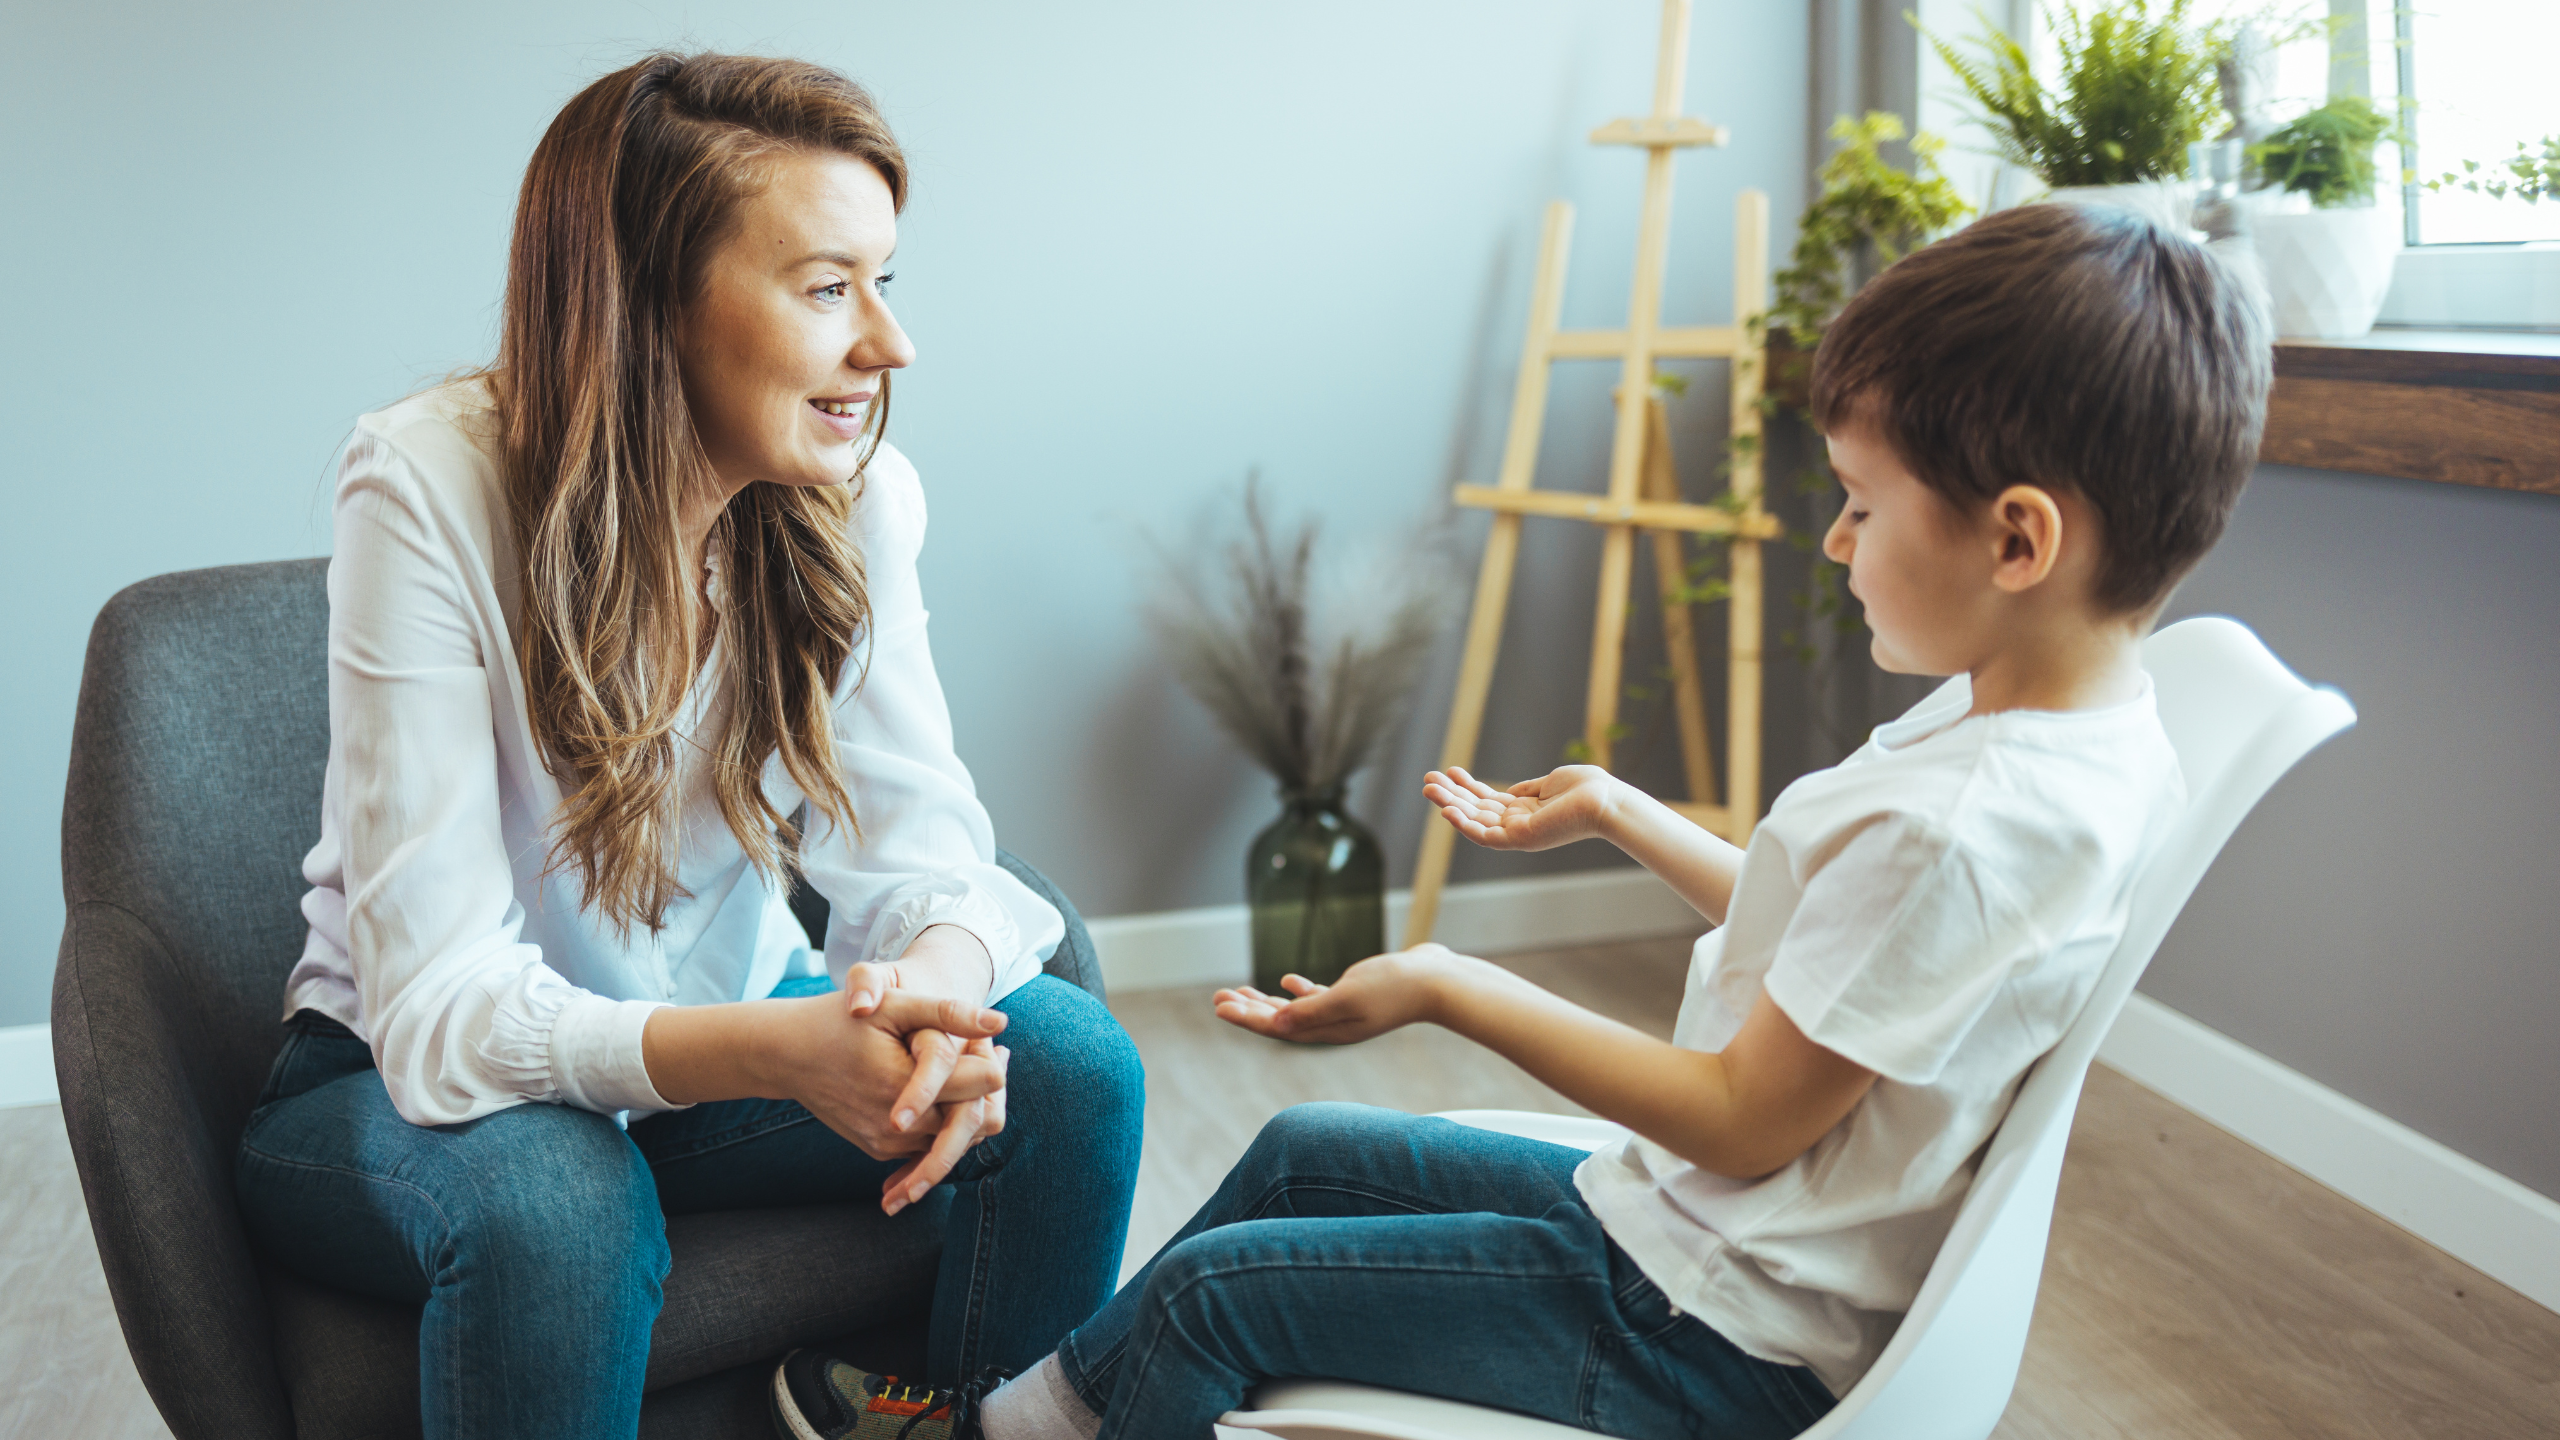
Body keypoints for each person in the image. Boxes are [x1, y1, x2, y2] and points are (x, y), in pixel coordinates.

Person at [929, 200, 2273, 1440]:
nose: (1835, 539)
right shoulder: (2056, 728)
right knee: (1301, 1158)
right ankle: (1024, 1422)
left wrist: (1453, 985)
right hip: (1698, 1247)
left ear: (2018, 541)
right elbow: (1838, 937)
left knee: (1208, 1298)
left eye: (1861, 505)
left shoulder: (1972, 822)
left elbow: (1742, 1116)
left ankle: (1010, 1428)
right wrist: (1624, 812)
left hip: (1707, 1330)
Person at [230, 53, 1143, 1440]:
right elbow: (441, 1011)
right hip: (402, 1092)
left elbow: (928, 856)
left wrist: (931, 999)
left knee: (1067, 1066)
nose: (889, 345)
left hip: (714, 1054)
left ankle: (940, 1421)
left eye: (887, 281)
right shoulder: (427, 483)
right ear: (647, 303)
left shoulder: (852, 497)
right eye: (829, 288)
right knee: (556, 1198)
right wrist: (781, 1052)